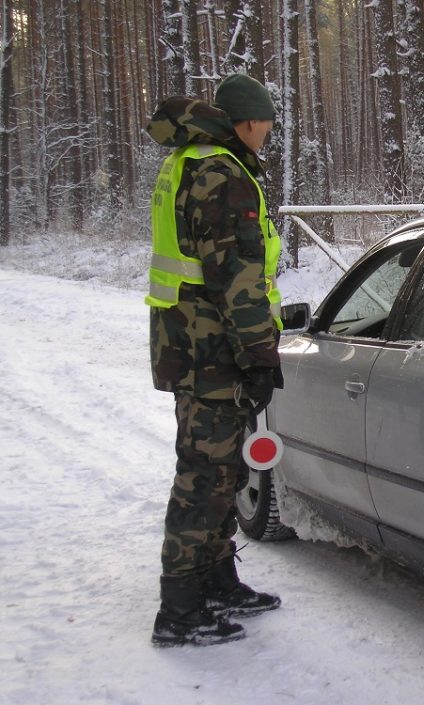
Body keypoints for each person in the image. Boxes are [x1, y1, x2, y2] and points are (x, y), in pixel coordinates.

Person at [144, 74, 284, 647]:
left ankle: (217, 578)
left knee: (222, 470)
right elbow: (237, 282)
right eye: (267, 122)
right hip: (213, 353)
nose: (270, 132)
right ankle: (178, 609)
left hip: (193, 346)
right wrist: (259, 356)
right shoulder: (222, 176)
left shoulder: (193, 162)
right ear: (245, 121)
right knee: (203, 477)